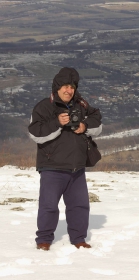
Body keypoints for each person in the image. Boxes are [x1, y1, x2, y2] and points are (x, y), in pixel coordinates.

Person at [28, 67, 102, 251]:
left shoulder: (81, 105)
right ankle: (44, 240)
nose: (69, 90)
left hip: (77, 167)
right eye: (65, 86)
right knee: (49, 206)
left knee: (80, 206)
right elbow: (35, 134)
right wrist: (57, 123)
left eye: (72, 87)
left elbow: (98, 122)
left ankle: (79, 239)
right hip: (52, 167)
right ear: (57, 87)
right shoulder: (44, 107)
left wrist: (84, 126)